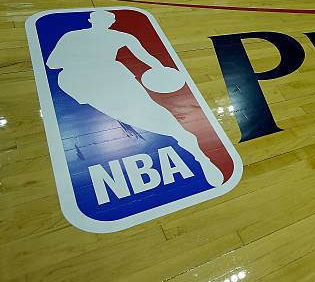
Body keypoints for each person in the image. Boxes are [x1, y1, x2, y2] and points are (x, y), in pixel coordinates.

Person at [46, 10, 224, 187]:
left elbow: (54, 63)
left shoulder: (75, 36)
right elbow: (53, 64)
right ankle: (192, 148)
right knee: (140, 114)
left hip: (90, 80)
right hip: (93, 80)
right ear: (108, 22)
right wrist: (161, 70)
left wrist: (161, 71)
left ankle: (194, 149)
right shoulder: (110, 36)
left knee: (143, 113)